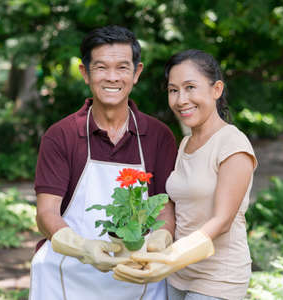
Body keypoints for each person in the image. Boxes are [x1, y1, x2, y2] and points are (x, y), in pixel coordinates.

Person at [29, 25, 178, 300]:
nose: (112, 77)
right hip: (70, 270)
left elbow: (164, 209)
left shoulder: (159, 136)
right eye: (101, 67)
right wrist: (82, 248)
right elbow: (46, 212)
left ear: (137, 73)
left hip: (137, 269)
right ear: (85, 72)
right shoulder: (61, 135)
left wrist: (159, 241)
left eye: (122, 67)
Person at [113, 49, 258, 300]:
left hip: (218, 278)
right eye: (173, 90)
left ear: (217, 89)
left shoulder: (232, 144)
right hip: (178, 273)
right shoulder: (186, 143)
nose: (181, 100)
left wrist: (169, 257)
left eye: (190, 87)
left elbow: (222, 221)